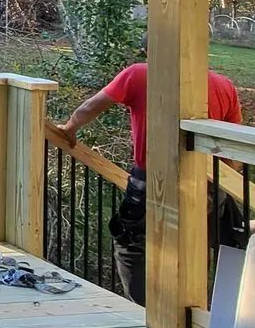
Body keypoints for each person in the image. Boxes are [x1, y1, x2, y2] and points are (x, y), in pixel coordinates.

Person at [49, 60, 244, 304]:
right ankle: (197, 312)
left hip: (151, 180)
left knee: (132, 246)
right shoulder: (223, 85)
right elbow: (232, 150)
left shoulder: (139, 74)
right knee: (197, 246)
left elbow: (92, 106)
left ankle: (145, 311)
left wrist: (69, 128)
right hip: (209, 183)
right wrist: (224, 184)